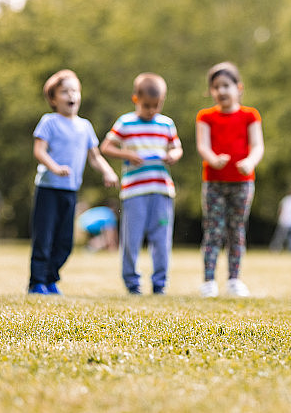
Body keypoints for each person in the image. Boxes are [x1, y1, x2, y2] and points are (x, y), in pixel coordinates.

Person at [28, 69, 119, 295]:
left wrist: (108, 171)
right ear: (53, 98)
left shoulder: (84, 126)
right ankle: (37, 282)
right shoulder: (49, 122)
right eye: (65, 92)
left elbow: (95, 156)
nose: (71, 96)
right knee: (44, 237)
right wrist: (55, 168)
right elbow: (39, 151)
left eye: (75, 91)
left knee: (65, 242)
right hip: (48, 188)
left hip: (70, 190)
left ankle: (51, 279)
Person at [100, 73, 183, 295]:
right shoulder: (125, 122)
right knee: (132, 239)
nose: (152, 110)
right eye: (147, 105)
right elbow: (106, 147)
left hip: (161, 190)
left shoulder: (166, 124)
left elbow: (177, 147)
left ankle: (159, 283)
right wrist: (126, 152)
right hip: (134, 191)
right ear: (135, 99)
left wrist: (174, 155)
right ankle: (132, 282)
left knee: (161, 239)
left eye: (157, 105)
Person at [196, 62, 264, 297]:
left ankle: (234, 279)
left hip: (242, 182)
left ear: (238, 88)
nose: (221, 91)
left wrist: (250, 162)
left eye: (226, 85)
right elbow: (202, 145)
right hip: (214, 182)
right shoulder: (205, 117)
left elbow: (257, 146)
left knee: (237, 231)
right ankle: (208, 281)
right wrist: (213, 159)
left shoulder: (250, 115)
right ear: (211, 91)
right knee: (213, 231)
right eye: (216, 87)